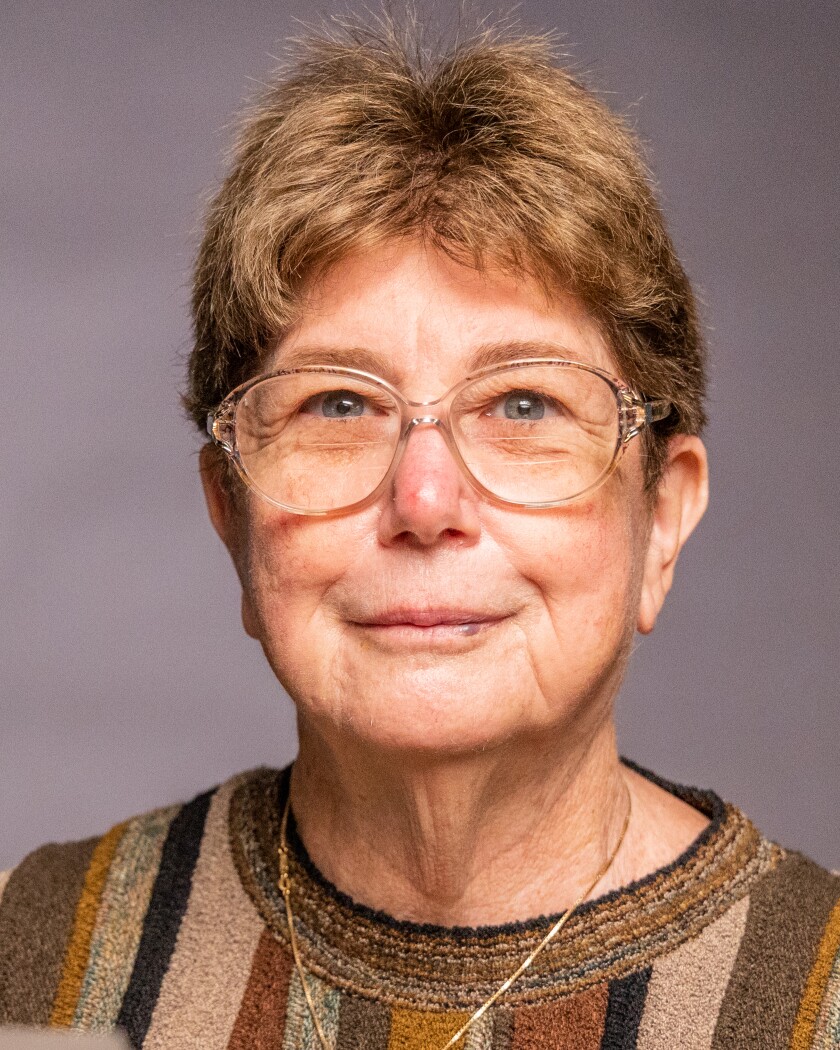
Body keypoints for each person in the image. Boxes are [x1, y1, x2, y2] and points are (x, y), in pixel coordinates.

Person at [1, 19, 837, 1050]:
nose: (426, 498)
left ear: (661, 517)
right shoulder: (32, 961)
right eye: (338, 407)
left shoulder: (818, 998)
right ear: (231, 516)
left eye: (525, 404)